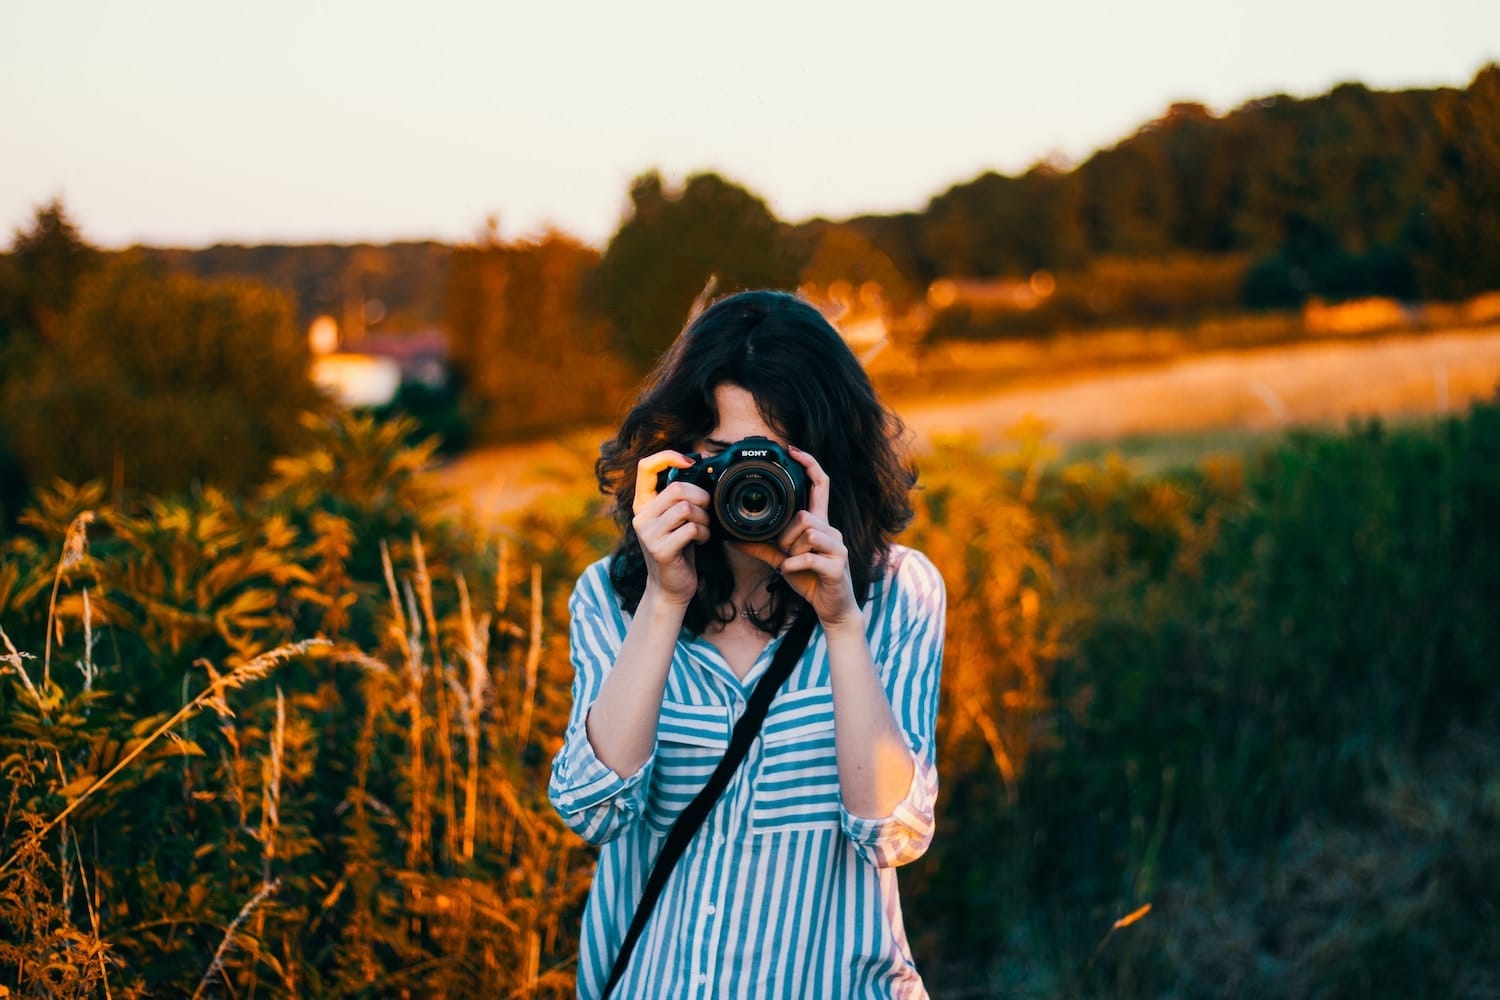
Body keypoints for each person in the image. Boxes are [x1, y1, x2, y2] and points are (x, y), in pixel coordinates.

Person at [549, 289, 946, 999]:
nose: (750, 485)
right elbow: (591, 810)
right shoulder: (612, 600)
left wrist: (841, 623)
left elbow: (893, 835)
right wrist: (665, 599)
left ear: (827, 465)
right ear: (675, 459)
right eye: (722, 458)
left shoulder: (896, 595)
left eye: (775, 460)